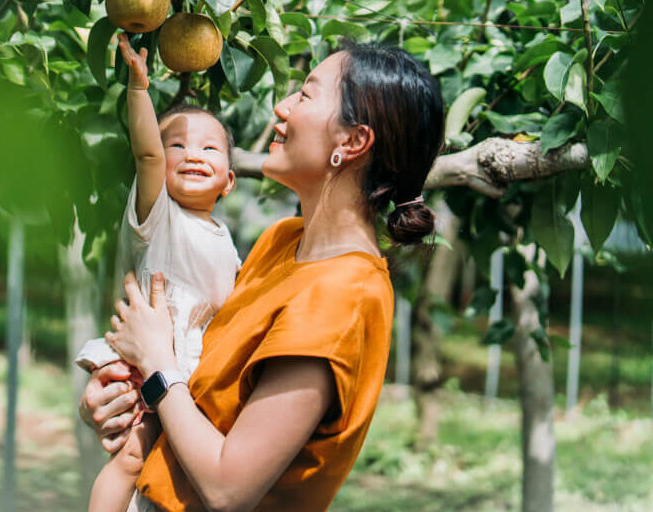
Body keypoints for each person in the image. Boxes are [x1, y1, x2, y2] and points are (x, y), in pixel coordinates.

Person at [81, 41, 444, 512]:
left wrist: (154, 364)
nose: (283, 105)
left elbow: (228, 488)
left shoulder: (343, 294)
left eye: (308, 95)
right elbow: (201, 384)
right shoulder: (281, 243)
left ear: (352, 142)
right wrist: (120, 395)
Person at [75, 34, 241, 512]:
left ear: (229, 180)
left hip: (188, 371)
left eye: (210, 148)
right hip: (152, 362)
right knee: (132, 456)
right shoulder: (156, 218)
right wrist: (138, 91)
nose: (193, 154)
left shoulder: (226, 240)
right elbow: (145, 153)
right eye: (176, 144)